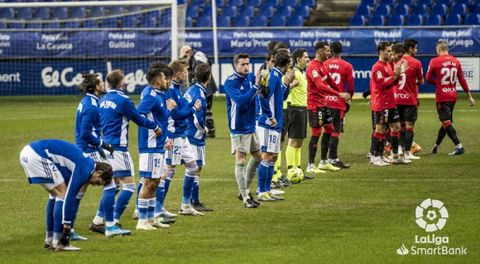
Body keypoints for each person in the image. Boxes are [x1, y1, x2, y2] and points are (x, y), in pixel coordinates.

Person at [19, 139, 113, 251]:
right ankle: (59, 243)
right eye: (97, 182)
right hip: (36, 155)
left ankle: (50, 240)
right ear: (98, 173)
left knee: (55, 195)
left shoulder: (87, 163)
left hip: (28, 153)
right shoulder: (85, 169)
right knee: (62, 195)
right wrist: (67, 228)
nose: (93, 185)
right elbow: (69, 197)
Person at [97, 69, 162, 227]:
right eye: (123, 80)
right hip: (118, 149)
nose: (125, 82)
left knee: (113, 186)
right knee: (130, 185)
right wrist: (154, 127)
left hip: (103, 146)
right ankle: (114, 220)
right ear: (120, 83)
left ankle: (98, 219)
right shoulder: (123, 100)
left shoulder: (102, 99)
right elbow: (139, 118)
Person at [75, 74, 130, 238]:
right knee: (112, 185)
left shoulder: (88, 101)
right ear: (95, 86)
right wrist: (101, 144)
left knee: (79, 192)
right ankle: (110, 226)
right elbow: (85, 132)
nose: (103, 84)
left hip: (86, 150)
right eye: (100, 82)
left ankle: (69, 228)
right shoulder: (91, 105)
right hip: (89, 151)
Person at [157, 60, 202, 218]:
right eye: (185, 71)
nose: (187, 74)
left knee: (192, 167)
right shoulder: (170, 90)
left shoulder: (177, 89)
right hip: (174, 135)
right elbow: (176, 114)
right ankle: (159, 208)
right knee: (168, 171)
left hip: (182, 136)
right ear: (178, 73)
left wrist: (188, 107)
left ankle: (185, 205)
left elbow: (182, 107)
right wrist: (193, 109)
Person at [135, 63, 177, 230]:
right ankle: (141, 220)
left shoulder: (159, 95)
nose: (168, 80)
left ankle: (151, 218)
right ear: (159, 79)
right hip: (149, 146)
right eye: (165, 78)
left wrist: (165, 136)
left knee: (156, 181)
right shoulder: (151, 95)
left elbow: (161, 118)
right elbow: (138, 114)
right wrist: (153, 128)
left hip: (159, 145)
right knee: (148, 183)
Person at [224, 53, 262, 208]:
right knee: (240, 160)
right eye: (243, 64)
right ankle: (246, 198)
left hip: (250, 125)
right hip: (238, 126)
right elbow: (241, 101)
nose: (246, 67)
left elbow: (257, 96)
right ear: (235, 65)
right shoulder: (230, 82)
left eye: (248, 64)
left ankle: (243, 191)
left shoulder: (251, 77)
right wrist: (255, 85)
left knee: (258, 157)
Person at [257, 51, 295, 201]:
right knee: (266, 156)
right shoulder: (271, 76)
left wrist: (287, 83)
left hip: (275, 123)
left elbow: (281, 97)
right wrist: (270, 116)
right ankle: (261, 192)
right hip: (268, 123)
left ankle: (268, 189)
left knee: (272, 157)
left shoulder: (278, 77)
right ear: (286, 64)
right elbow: (262, 95)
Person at [306, 42, 350, 172]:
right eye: (327, 51)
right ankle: (310, 165)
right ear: (319, 52)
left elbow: (330, 81)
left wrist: (342, 94)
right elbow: (320, 86)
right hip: (314, 104)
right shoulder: (312, 67)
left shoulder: (322, 66)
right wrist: (339, 94)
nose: (330, 53)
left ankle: (324, 161)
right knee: (317, 132)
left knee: (330, 129)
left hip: (323, 103)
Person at [426, 41, 476, 155]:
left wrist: (438, 84)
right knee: (445, 123)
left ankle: (459, 146)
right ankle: (435, 146)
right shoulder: (456, 61)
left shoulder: (434, 61)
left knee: (446, 122)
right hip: (453, 96)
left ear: (438, 50)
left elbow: (428, 78)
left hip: (442, 96)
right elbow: (462, 80)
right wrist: (469, 96)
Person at [369, 42, 409, 166]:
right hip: (382, 103)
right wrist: (397, 74)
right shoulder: (377, 67)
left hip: (391, 103)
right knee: (380, 129)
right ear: (380, 52)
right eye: (388, 51)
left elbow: (393, 83)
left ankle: (395, 155)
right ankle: (375, 156)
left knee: (396, 127)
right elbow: (382, 84)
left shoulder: (388, 65)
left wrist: (400, 73)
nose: (390, 53)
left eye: (391, 51)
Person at [180, 63, 212, 215]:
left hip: (186, 133)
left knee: (194, 168)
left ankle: (192, 200)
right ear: (209, 77)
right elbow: (197, 119)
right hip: (194, 136)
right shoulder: (200, 95)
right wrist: (203, 129)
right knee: (196, 169)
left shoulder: (191, 89)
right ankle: (195, 201)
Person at [282, 48, 311, 181]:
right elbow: (285, 86)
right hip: (294, 108)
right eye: (305, 57)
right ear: (298, 59)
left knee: (299, 141)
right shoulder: (292, 72)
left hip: (302, 107)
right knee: (293, 140)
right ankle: (290, 171)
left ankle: (298, 169)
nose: (308, 59)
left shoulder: (300, 72)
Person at [324, 41, 354, 168]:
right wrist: (348, 98)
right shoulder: (347, 65)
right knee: (336, 131)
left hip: (325, 102)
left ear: (331, 51)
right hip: (338, 102)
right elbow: (351, 87)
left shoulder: (324, 64)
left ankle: (323, 160)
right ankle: (333, 158)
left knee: (326, 130)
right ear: (341, 51)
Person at [180, 45, 217, 138]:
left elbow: (203, 69)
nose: (185, 59)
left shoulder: (197, 57)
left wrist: (194, 77)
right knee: (206, 108)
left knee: (204, 108)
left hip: (206, 85)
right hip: (206, 84)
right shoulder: (196, 56)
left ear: (188, 52)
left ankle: (208, 130)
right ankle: (210, 130)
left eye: (185, 56)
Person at [395, 39, 424, 160]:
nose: (416, 50)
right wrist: (413, 81)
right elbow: (421, 81)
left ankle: (400, 149)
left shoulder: (396, 62)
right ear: (410, 48)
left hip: (396, 99)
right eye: (415, 48)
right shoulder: (416, 63)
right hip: (409, 99)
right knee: (409, 126)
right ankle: (407, 153)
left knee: (399, 126)